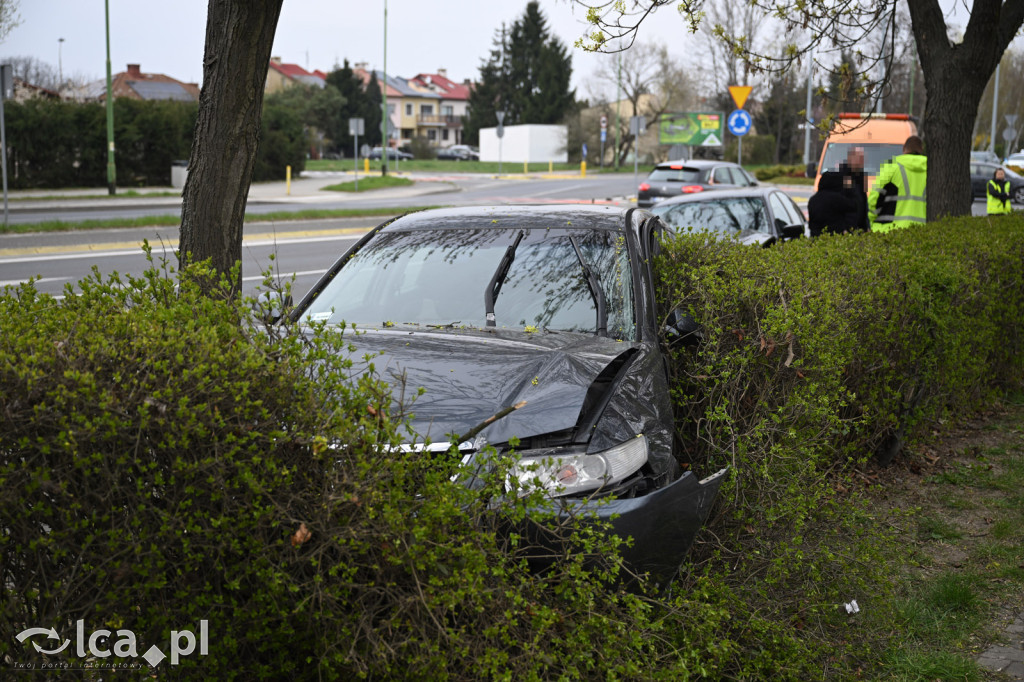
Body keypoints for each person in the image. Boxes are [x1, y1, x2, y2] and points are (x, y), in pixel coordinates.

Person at [868, 135, 927, 232]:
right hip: (923, 232)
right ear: (922, 150)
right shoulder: (932, 171)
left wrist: (868, 222)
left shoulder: (891, 168)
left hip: (890, 232)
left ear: (904, 149)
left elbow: (874, 200)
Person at [808, 171, 858, 236]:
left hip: (815, 236)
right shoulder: (836, 198)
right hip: (834, 237)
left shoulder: (813, 200)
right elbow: (853, 206)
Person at [838, 146, 870, 231]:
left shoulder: (861, 177)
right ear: (851, 158)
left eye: (863, 158)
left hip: (859, 228)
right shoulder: (842, 176)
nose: (862, 161)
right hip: (847, 227)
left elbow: (863, 203)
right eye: (860, 158)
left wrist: (866, 226)